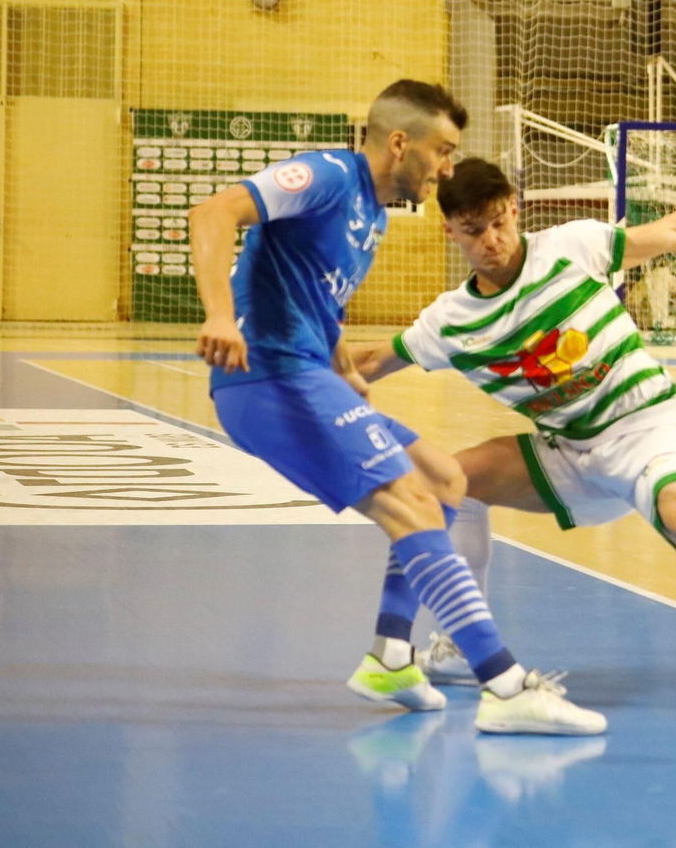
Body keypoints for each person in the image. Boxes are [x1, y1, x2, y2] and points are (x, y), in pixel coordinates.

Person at [348, 158, 676, 722]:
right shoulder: (450, 322)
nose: (491, 241)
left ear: (515, 207)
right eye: (473, 231)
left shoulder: (570, 248)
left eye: (498, 222)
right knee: (447, 484)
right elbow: (366, 363)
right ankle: (461, 647)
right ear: (450, 232)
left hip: (651, 428)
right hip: (572, 455)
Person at [189, 80, 603, 735]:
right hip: (266, 378)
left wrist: (345, 370)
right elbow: (213, 213)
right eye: (443, 150)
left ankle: (390, 655)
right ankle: (505, 686)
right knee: (409, 502)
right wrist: (220, 315)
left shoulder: (372, 218)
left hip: (306, 373)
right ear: (400, 142)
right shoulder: (327, 175)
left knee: (444, 480)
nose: (447, 167)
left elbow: (314, 309)